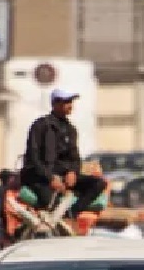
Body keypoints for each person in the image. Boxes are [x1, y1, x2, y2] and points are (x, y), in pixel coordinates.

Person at [19, 88, 106, 216]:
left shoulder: (70, 129)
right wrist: (50, 178)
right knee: (49, 202)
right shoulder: (40, 126)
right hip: (40, 177)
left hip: (62, 176)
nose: (70, 105)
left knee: (98, 183)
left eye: (70, 102)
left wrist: (73, 172)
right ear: (55, 104)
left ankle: (71, 213)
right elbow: (33, 157)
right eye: (66, 102)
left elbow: (75, 158)